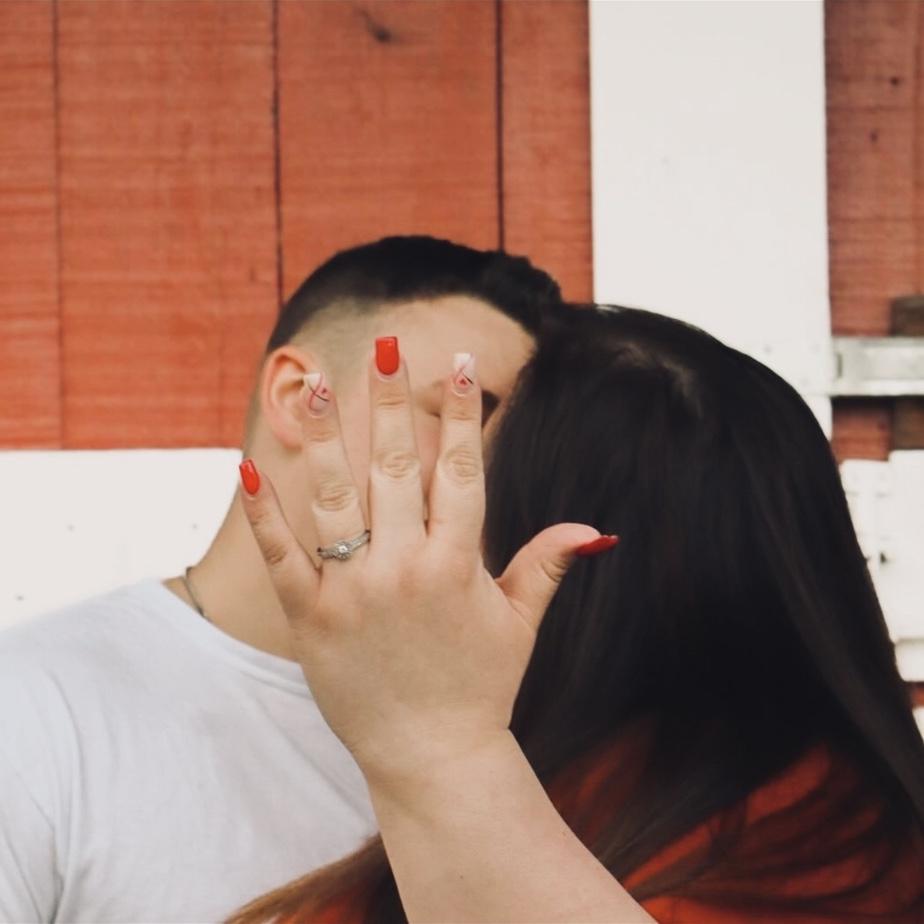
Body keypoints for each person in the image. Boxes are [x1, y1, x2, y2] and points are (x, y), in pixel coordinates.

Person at [233, 304, 924, 923]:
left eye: (472, 480)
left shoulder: (795, 865)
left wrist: (435, 745)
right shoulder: (848, 821)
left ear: (564, 552)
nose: (429, 522)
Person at [0, 236, 568, 923]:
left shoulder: (531, 732)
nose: (480, 471)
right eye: (460, 411)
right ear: (299, 399)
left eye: (513, 447)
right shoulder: (33, 709)